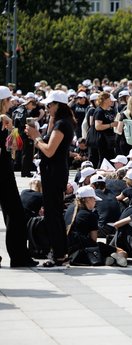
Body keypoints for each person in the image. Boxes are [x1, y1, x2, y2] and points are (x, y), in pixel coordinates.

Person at [26, 90, 75, 267]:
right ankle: (61, 253)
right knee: (54, 214)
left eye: (50, 105)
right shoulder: (60, 122)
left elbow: (49, 150)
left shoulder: (62, 124)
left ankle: (60, 254)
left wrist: (36, 137)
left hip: (54, 173)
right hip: (54, 172)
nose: (47, 108)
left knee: (53, 215)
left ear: (58, 105)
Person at [0, 86, 36, 267]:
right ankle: (19, 256)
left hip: (5, 170)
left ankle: (19, 256)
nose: (11, 103)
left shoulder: (6, 121)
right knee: (15, 214)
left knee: (14, 214)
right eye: (9, 100)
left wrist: (12, 127)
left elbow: (15, 147)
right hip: (3, 172)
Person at [65, 186, 126, 267]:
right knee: (122, 251)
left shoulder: (70, 209)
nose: (95, 203)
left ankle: (108, 259)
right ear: (88, 199)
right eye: (94, 199)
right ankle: (112, 258)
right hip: (85, 251)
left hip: (68, 251)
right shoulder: (91, 215)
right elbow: (93, 240)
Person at [93, 92, 118, 166]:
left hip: (108, 139)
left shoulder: (108, 110)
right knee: (103, 159)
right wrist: (111, 125)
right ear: (105, 100)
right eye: (110, 99)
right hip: (102, 139)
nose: (111, 101)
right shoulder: (99, 111)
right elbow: (98, 126)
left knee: (109, 158)